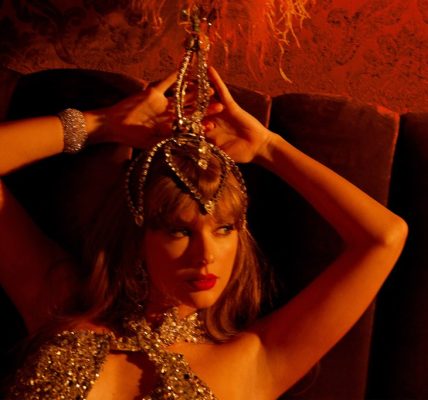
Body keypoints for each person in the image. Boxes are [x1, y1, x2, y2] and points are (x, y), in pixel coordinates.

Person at [0, 66, 407, 400]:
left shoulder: (257, 359)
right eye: (179, 231)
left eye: (224, 229)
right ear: (138, 236)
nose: (206, 255)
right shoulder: (60, 300)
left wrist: (268, 147)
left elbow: (385, 236)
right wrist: (101, 125)